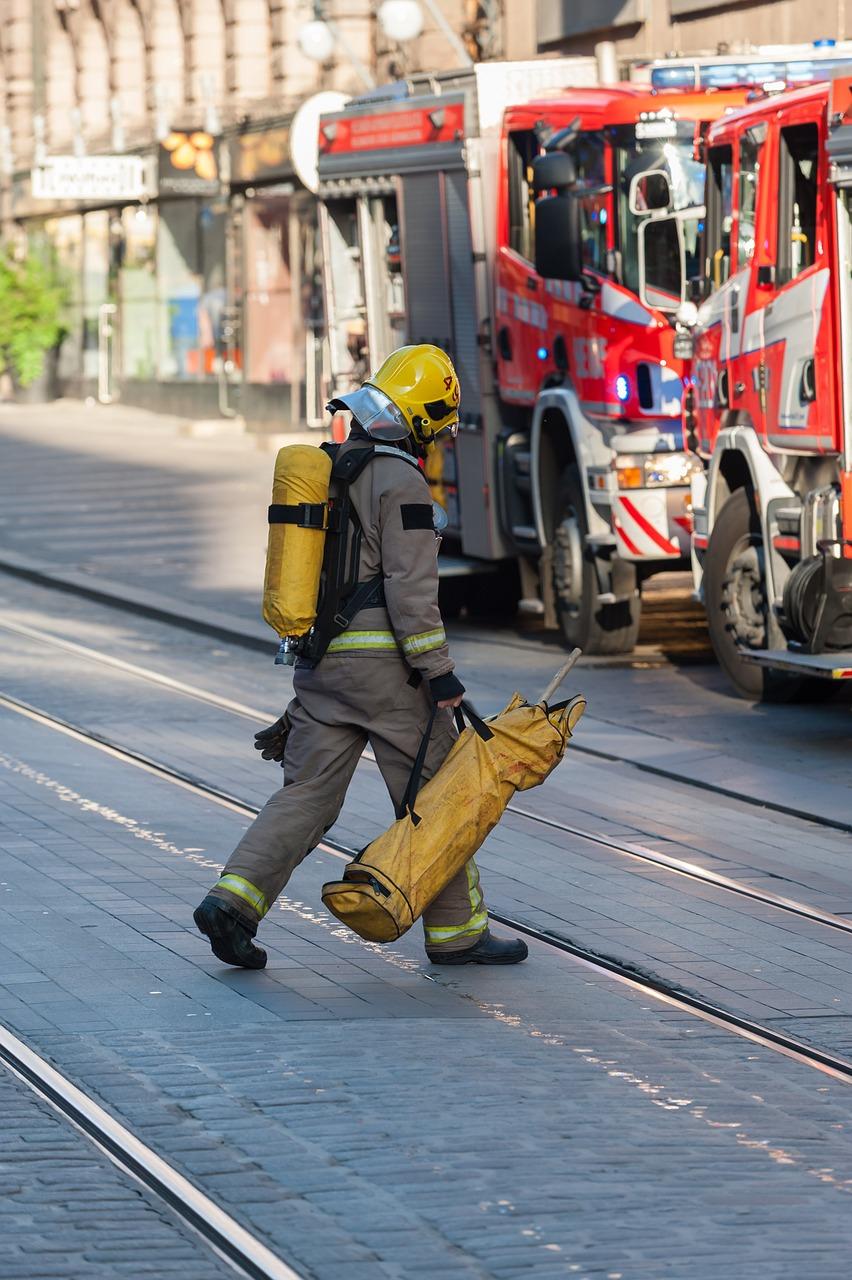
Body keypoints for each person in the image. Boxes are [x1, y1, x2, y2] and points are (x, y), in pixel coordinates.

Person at [193, 344, 527, 969]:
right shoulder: (401, 478)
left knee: (307, 794)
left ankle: (232, 902)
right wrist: (440, 674)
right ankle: (457, 933)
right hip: (387, 674)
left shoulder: (335, 465)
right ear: (422, 416)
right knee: (438, 797)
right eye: (440, 424)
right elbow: (409, 589)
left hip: (321, 670)